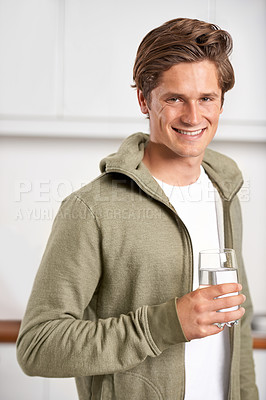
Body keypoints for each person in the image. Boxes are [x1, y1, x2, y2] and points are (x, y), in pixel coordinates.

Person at [16, 18, 258, 399]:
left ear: (221, 101)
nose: (194, 117)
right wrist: (162, 325)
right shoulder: (91, 208)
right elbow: (38, 346)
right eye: (175, 98)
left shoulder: (223, 189)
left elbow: (238, 326)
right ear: (145, 100)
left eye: (206, 98)